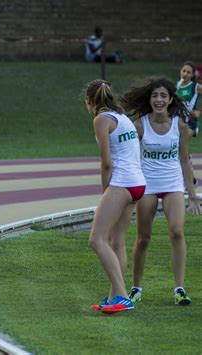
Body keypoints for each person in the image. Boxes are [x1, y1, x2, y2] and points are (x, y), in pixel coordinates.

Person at [120, 77, 200, 306]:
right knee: (143, 237)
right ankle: (135, 288)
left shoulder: (180, 126)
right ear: (150, 99)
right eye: (155, 95)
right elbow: (130, 158)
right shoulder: (139, 125)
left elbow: (185, 160)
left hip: (173, 184)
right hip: (148, 185)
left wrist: (192, 194)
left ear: (171, 99)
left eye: (163, 96)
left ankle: (180, 289)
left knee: (177, 232)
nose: (159, 99)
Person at [85, 79, 146, 314]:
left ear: (89, 101)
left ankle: (122, 295)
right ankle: (114, 297)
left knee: (96, 239)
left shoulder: (101, 120)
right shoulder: (124, 119)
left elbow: (107, 162)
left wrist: (105, 193)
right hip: (138, 183)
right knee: (116, 241)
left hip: (121, 183)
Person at [176, 61, 201, 187]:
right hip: (178, 124)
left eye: (188, 72)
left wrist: (199, 111)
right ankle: (191, 178)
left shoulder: (195, 87)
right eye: (183, 71)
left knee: (181, 147)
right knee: (181, 151)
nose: (185, 74)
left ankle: (186, 183)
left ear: (192, 75)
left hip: (190, 124)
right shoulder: (177, 86)